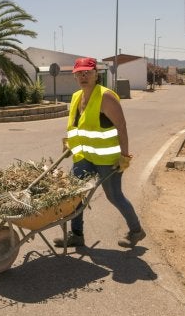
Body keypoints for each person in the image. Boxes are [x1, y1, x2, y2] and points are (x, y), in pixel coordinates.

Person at [55, 57, 145, 248]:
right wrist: (70, 142)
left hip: (107, 159)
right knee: (75, 194)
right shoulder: (76, 97)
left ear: (97, 74)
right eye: (79, 73)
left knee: (114, 196)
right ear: (75, 76)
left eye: (87, 72)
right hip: (84, 157)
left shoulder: (106, 97)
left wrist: (125, 156)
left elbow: (121, 126)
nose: (83, 76)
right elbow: (78, 126)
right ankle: (77, 235)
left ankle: (136, 231)